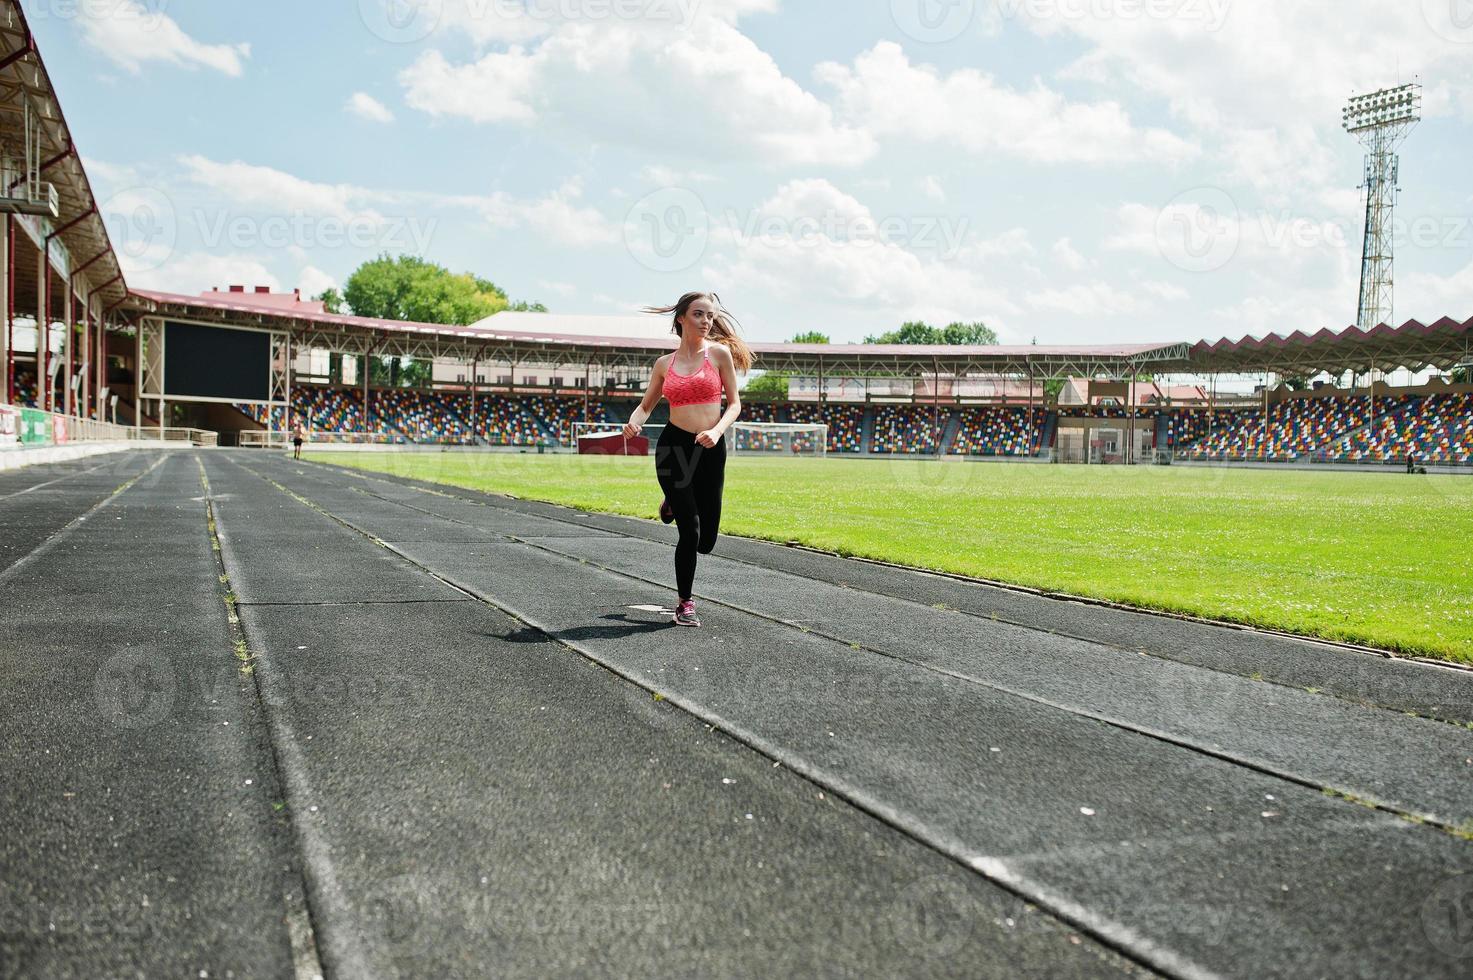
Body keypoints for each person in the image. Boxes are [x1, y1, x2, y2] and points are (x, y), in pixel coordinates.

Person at [623, 292, 752, 627]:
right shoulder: (665, 364)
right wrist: (635, 420)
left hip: (710, 447)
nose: (706, 321)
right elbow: (647, 405)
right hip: (674, 448)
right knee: (690, 533)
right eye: (698, 314)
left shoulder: (720, 355)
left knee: (707, 542)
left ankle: (671, 503)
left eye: (710, 315)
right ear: (681, 318)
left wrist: (718, 431)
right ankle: (685, 603)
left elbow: (735, 405)